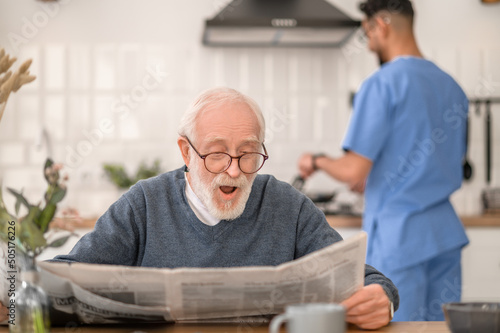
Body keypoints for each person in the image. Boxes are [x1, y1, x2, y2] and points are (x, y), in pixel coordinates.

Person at [0, 87, 398, 329]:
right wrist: (14, 298)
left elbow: (368, 278)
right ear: (185, 151)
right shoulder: (143, 203)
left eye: (248, 154)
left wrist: (381, 296)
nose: (234, 170)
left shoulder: (287, 206)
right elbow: (71, 274)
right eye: (217, 154)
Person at [298, 0, 469, 322]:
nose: (368, 45)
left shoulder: (381, 84)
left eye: (367, 34)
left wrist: (316, 159)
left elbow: (351, 169)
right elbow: (436, 159)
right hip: (444, 233)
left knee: (397, 327)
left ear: (383, 25)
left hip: (400, 236)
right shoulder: (452, 87)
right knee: (439, 328)